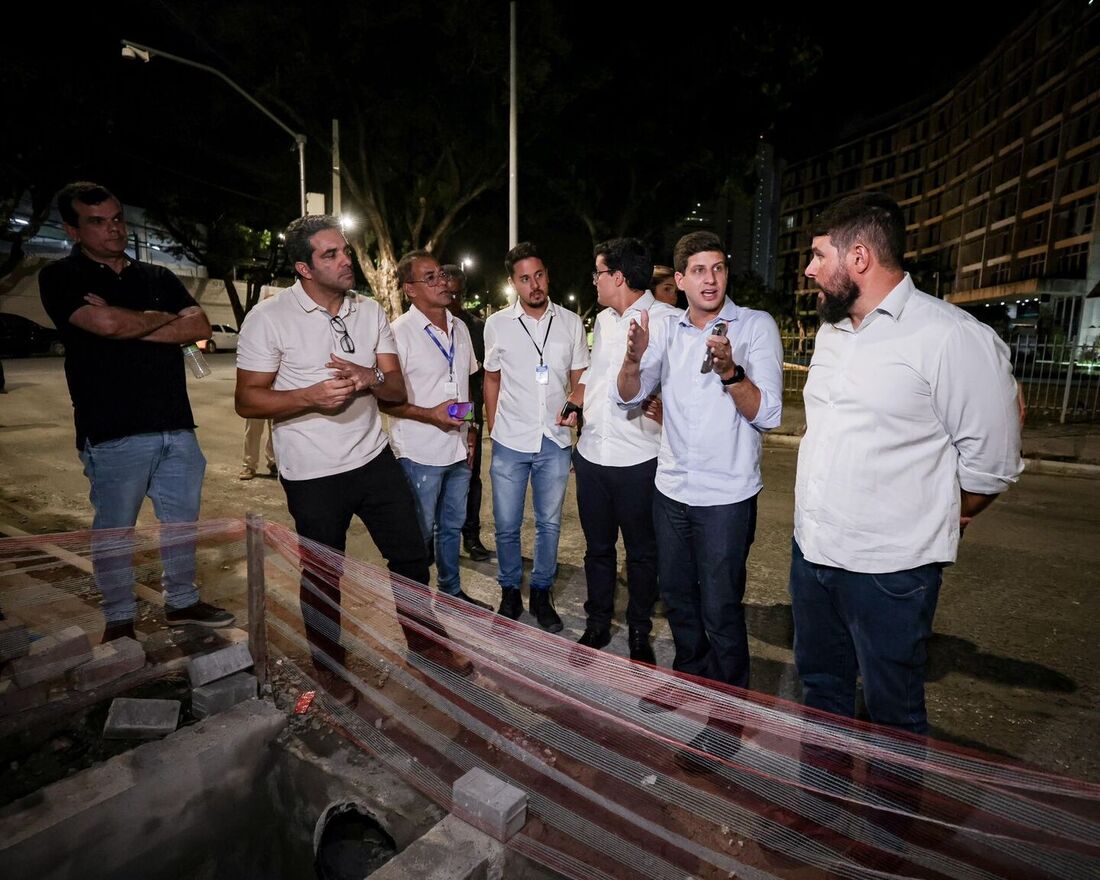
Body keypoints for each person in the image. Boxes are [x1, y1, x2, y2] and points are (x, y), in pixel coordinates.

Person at [791, 192, 1022, 734]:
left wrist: (943, 517)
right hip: (813, 555)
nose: (809, 269)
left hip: (891, 574)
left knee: (892, 713)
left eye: (819, 255)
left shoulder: (951, 338)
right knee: (821, 694)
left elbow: (991, 463)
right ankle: (820, 811)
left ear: (860, 259)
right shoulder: (831, 333)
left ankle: (888, 821)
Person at [235, 215, 465, 698]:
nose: (346, 262)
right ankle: (328, 659)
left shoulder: (369, 311)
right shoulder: (269, 318)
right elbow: (247, 400)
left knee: (409, 555)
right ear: (303, 267)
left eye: (345, 251)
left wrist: (369, 377)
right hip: (312, 471)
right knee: (323, 572)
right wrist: (310, 396)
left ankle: (425, 643)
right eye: (330, 255)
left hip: (373, 457)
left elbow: (396, 387)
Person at [39, 182, 235, 644]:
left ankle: (182, 603)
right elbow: (104, 324)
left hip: (176, 425)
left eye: (117, 219)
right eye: (98, 222)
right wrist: (160, 319)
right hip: (113, 430)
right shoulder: (61, 276)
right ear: (72, 228)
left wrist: (130, 323)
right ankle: (120, 620)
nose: (113, 229)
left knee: (182, 523)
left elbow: (201, 326)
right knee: (115, 531)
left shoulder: (157, 276)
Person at [615, 230, 783, 692]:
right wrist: (632, 359)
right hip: (671, 491)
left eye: (718, 268)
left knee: (721, 607)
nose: (710, 280)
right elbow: (626, 397)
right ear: (681, 280)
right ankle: (690, 677)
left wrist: (731, 372)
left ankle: (729, 706)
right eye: (698, 271)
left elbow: (768, 415)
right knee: (678, 600)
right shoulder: (666, 329)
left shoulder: (754, 325)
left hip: (726, 498)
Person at [562, 238, 680, 663]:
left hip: (639, 459)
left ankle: (638, 632)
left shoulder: (667, 321)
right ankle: (597, 625)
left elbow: (683, 388)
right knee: (597, 548)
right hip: (593, 455)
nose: (593, 281)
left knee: (642, 554)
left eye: (598, 273)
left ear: (618, 277)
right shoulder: (605, 320)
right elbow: (595, 378)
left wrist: (673, 409)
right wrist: (577, 406)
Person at [483, 242, 589, 630]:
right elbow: (491, 378)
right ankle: (510, 590)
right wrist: (495, 427)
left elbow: (580, 378)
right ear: (513, 283)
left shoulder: (571, 322)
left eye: (539, 275)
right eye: (525, 279)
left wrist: (577, 407)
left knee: (549, 523)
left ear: (547, 275)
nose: (534, 285)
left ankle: (542, 592)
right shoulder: (496, 324)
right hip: (511, 440)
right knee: (507, 524)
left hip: (555, 442)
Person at [382, 251, 490, 609]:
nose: (442, 282)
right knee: (417, 536)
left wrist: (472, 430)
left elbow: (465, 388)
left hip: (459, 449)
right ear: (410, 289)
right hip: (419, 453)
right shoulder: (397, 334)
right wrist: (430, 414)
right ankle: (416, 608)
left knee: (452, 526)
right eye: (430, 278)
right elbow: (384, 401)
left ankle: (451, 592)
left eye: (441, 275)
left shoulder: (460, 328)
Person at [442, 263, 493, 562]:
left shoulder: (475, 327)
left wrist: (473, 418)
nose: (453, 300)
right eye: (448, 293)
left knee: (470, 475)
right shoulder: (425, 325)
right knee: (438, 476)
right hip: (433, 412)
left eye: (458, 294)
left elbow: (484, 376)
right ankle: (437, 536)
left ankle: (470, 535)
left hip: (469, 410)